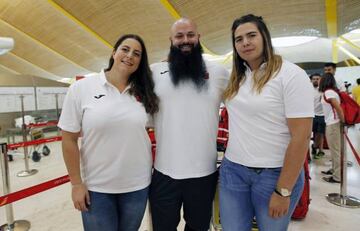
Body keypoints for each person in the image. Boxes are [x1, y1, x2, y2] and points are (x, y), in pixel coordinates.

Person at [219, 14, 313, 231]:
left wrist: (283, 190)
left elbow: (301, 137)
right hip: (233, 171)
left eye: (251, 35)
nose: (245, 42)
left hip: (274, 174)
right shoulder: (236, 78)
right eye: (238, 39)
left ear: (265, 37)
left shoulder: (290, 75)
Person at [58, 34, 159, 231]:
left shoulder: (144, 93)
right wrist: (76, 184)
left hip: (137, 186)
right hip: (98, 188)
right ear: (114, 52)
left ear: (140, 62)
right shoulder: (81, 88)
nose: (130, 55)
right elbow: (68, 139)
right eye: (125, 49)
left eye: (136, 54)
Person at [149, 18, 229, 231]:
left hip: (203, 174)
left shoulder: (219, 73)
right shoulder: (154, 72)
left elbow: (245, 107)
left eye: (190, 35)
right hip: (164, 173)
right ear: (171, 40)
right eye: (179, 36)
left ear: (198, 37)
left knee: (198, 228)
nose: (186, 40)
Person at [319, 73, 344, 183]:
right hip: (332, 123)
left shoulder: (329, 92)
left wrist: (343, 122)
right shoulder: (330, 92)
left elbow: (338, 108)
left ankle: (337, 177)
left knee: (335, 151)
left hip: (333, 124)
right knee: (334, 150)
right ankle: (334, 170)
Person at [310, 73, 326, 159]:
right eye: (314, 79)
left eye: (318, 79)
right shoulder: (308, 90)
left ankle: (320, 149)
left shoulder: (323, 90)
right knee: (314, 133)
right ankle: (314, 147)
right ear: (311, 80)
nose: (316, 80)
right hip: (312, 115)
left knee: (321, 133)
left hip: (322, 115)